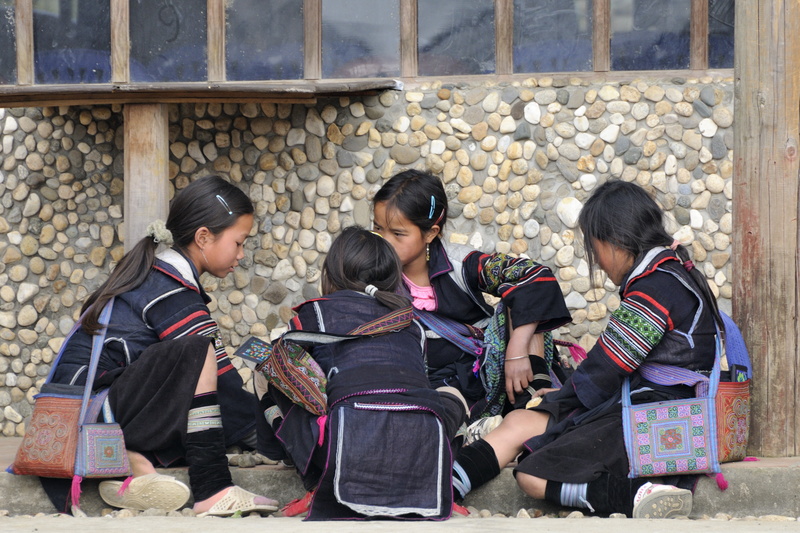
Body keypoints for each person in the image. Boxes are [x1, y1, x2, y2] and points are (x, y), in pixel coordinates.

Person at [451, 180, 722, 518]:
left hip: (655, 415)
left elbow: (606, 367)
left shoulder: (657, 287)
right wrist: (558, 398)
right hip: (636, 400)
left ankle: (635, 496)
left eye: (595, 249)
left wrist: (559, 399)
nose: (599, 261)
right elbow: (606, 368)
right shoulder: (666, 274)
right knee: (521, 420)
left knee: (532, 475)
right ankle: (445, 488)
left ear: (616, 241)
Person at [46, 176, 278, 516]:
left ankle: (131, 466)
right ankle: (213, 489)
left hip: (84, 413)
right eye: (239, 243)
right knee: (198, 352)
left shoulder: (156, 274)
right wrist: (275, 436)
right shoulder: (171, 291)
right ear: (203, 237)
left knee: (199, 372)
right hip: (89, 415)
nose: (241, 255)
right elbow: (224, 385)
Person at [265, 226, 468, 520]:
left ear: (331, 273)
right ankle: (440, 481)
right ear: (391, 275)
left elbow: (288, 367)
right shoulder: (411, 323)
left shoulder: (313, 314)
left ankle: (314, 481)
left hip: (345, 442)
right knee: (451, 395)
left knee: (270, 372)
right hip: (420, 443)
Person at [372, 170, 571, 425]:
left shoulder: (461, 263)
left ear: (431, 233)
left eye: (398, 234)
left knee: (519, 296)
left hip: (492, 370)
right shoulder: (372, 273)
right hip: (435, 388)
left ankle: (532, 398)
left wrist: (516, 351)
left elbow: (534, 275)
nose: (384, 241)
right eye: (378, 228)